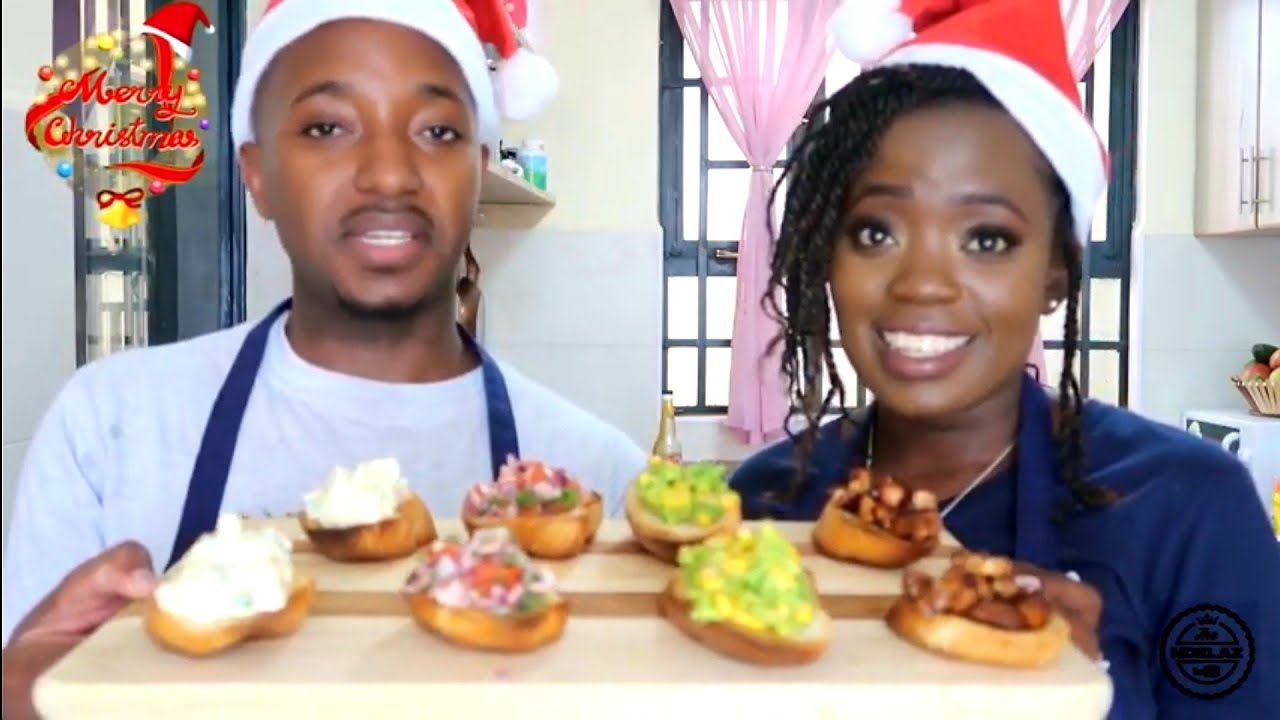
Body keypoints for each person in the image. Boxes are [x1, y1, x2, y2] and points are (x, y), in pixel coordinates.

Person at [1, 0, 647, 712]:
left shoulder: (600, 479)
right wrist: (18, 691)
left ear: (478, 171)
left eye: (437, 131)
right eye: (326, 128)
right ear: (257, 175)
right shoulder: (109, 426)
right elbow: (32, 688)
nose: (389, 175)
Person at [730, 1, 1280, 718]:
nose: (922, 283)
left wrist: (1087, 683)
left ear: (1056, 272)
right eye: (874, 232)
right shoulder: (765, 501)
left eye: (987, 239)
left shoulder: (1189, 509)